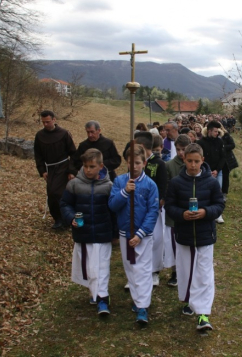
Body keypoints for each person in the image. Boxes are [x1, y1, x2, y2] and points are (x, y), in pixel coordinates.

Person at [165, 143, 225, 331]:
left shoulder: (211, 182)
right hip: (184, 235)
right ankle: (187, 300)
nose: (192, 165)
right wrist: (181, 214)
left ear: (202, 161)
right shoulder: (176, 182)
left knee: (205, 274)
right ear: (184, 160)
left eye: (196, 161)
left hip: (205, 235)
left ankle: (203, 314)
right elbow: (169, 205)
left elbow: (219, 205)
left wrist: (205, 212)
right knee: (185, 271)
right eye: (189, 161)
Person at [60, 149, 115, 316]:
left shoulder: (108, 186)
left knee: (102, 266)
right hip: (84, 233)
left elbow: (113, 210)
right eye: (85, 166)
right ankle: (94, 290)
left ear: (100, 166)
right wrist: (71, 218)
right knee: (90, 267)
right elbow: (65, 204)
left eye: (92, 166)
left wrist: (116, 233)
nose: (88, 170)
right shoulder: (74, 184)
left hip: (102, 232)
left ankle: (103, 298)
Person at [108, 145, 159, 324]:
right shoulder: (120, 182)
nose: (134, 166)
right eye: (131, 163)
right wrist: (124, 192)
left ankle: (143, 306)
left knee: (143, 270)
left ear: (144, 163)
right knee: (130, 267)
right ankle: (137, 300)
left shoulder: (150, 185)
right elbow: (112, 205)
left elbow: (153, 211)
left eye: (138, 163)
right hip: (124, 233)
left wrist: (140, 233)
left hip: (143, 236)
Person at [34, 110, 77, 229]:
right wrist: (42, 170)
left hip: (63, 167)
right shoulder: (39, 135)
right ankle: (57, 218)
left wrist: (71, 171)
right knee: (51, 194)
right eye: (43, 122)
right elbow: (38, 155)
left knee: (59, 193)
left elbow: (73, 153)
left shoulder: (63, 133)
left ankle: (65, 219)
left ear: (54, 120)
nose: (45, 124)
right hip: (50, 168)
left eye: (48, 121)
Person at [134, 132, 167, 287]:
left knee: (156, 239)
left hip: (154, 208)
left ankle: (154, 271)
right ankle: (137, 271)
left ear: (143, 146)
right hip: (139, 207)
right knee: (138, 237)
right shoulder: (135, 163)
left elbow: (163, 184)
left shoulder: (158, 163)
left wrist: (160, 201)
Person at [164, 134, 191, 287]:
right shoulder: (169, 166)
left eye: (184, 149)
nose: (181, 153)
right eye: (178, 149)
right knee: (173, 244)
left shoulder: (192, 164)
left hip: (189, 209)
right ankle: (174, 272)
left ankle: (185, 270)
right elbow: (167, 188)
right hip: (174, 211)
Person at [196, 120, 226, 224]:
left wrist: (217, 170)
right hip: (205, 171)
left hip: (218, 171)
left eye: (218, 131)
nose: (217, 133)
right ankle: (207, 212)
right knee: (206, 193)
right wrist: (207, 170)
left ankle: (218, 214)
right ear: (209, 131)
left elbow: (223, 157)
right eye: (215, 131)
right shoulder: (201, 143)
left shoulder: (220, 142)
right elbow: (200, 158)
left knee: (218, 192)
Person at [220, 127, 238, 201]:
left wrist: (223, 147)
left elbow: (232, 145)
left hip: (226, 159)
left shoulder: (226, 135)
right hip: (216, 159)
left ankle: (224, 193)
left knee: (225, 176)